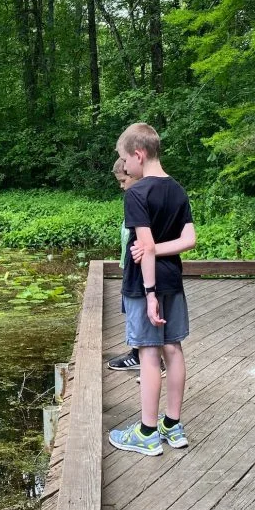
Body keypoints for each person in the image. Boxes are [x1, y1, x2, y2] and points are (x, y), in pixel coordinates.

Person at [109, 122, 196, 456]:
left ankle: (146, 432)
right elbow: (189, 240)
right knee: (172, 349)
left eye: (124, 159)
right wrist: (158, 249)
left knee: (148, 353)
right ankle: (173, 426)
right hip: (173, 280)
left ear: (139, 154)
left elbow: (144, 246)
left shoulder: (137, 192)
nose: (125, 166)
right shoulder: (177, 189)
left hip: (144, 285)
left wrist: (148, 294)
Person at [108, 157, 166, 375]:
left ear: (135, 173)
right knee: (134, 314)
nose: (122, 187)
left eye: (124, 181)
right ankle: (137, 353)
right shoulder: (133, 200)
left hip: (143, 271)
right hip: (130, 269)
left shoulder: (142, 199)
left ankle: (148, 360)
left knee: (142, 314)